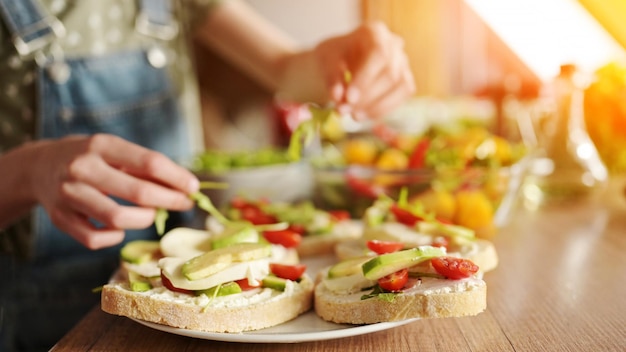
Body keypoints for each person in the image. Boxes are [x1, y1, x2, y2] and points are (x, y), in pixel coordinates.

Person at [0, 0, 415, 351]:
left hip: (190, 294)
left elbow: (286, 68)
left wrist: (337, 64)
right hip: (38, 313)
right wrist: (28, 171)